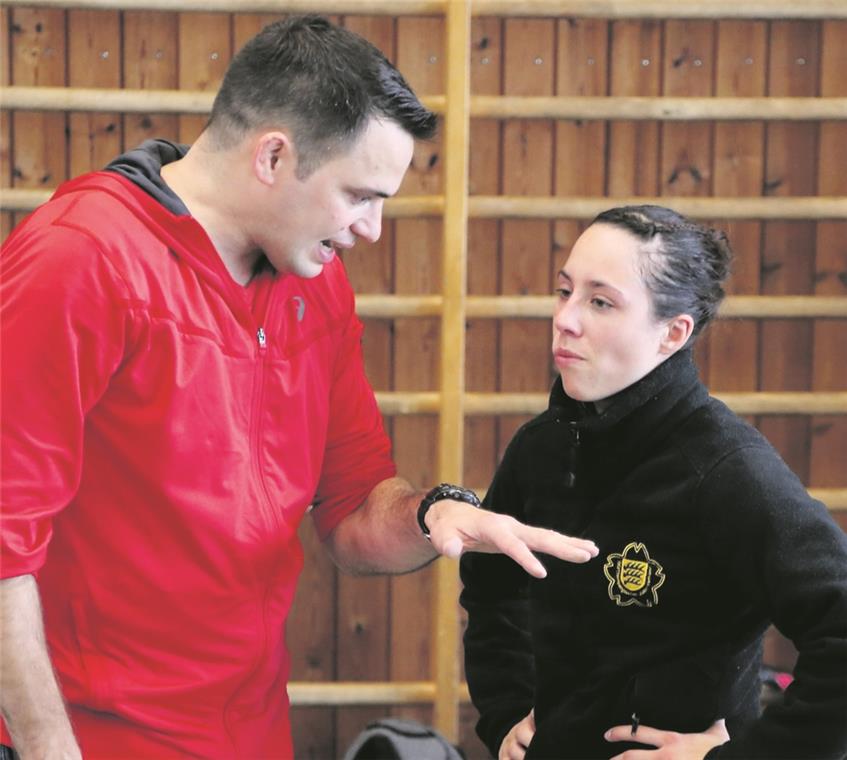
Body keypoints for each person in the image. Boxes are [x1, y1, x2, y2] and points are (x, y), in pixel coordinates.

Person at [0, 16, 599, 759]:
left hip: (247, 729)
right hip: (88, 736)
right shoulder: (80, 260)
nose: (373, 228)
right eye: (359, 195)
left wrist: (437, 513)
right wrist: (49, 751)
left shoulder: (315, 283)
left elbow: (351, 505)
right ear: (273, 155)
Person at [459, 205, 847, 759]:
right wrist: (504, 712)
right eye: (564, 291)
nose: (566, 319)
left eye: (600, 301)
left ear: (673, 332)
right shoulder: (539, 447)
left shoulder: (727, 469)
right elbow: (491, 589)